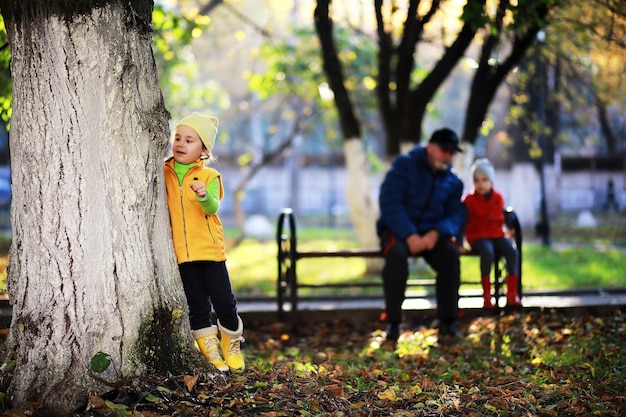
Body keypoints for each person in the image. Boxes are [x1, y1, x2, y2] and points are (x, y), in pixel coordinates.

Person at [163, 112, 245, 372]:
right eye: (178, 138)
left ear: (203, 150)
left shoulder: (209, 176)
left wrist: (202, 195)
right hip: (182, 255)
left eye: (189, 140)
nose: (180, 144)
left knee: (224, 302)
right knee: (196, 305)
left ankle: (231, 345)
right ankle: (210, 352)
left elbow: (212, 207)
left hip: (209, 252)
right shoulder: (163, 171)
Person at [377, 128, 466, 341]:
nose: (448, 156)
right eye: (444, 150)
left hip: (431, 234)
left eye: (452, 152)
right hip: (397, 230)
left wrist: (437, 233)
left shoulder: (454, 182)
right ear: (430, 147)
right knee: (396, 256)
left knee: (450, 256)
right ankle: (393, 322)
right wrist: (409, 235)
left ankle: (448, 321)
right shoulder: (404, 166)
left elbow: (456, 214)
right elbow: (390, 202)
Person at [462, 158, 521, 310]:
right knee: (487, 252)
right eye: (476, 180)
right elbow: (464, 222)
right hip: (478, 235)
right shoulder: (469, 200)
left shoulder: (498, 198)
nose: (480, 184)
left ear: (491, 181)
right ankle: (487, 296)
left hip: (496, 234)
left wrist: (509, 229)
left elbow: (501, 218)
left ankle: (512, 294)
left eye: (484, 180)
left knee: (511, 250)